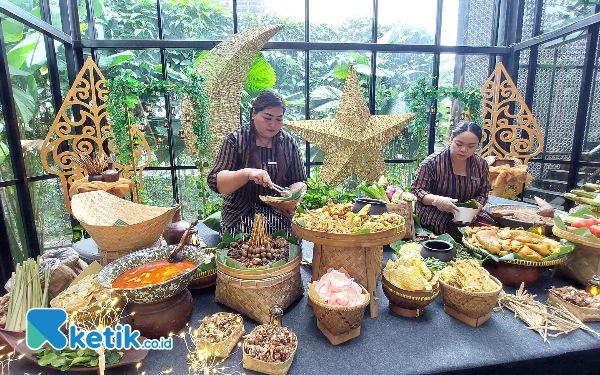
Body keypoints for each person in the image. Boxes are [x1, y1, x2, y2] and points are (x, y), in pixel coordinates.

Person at [207, 89, 307, 237]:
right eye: (268, 117)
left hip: (278, 212)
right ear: (254, 113)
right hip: (239, 213)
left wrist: (291, 199)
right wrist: (247, 173)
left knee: (287, 242)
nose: (273, 124)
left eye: (279, 119)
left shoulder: (288, 143)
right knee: (244, 246)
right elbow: (216, 182)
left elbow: (300, 180)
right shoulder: (236, 140)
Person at [411, 121, 493, 240]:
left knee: (487, 232)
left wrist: (474, 211)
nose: (464, 150)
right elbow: (416, 190)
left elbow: (483, 193)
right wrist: (437, 200)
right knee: (450, 232)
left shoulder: (481, 165)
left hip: (467, 214)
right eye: (459, 144)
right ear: (451, 140)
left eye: (471, 146)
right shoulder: (432, 163)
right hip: (436, 212)